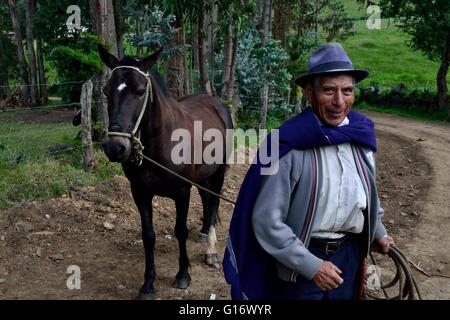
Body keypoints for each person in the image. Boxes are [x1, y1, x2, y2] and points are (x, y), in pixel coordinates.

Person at [223, 43, 394, 300]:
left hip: (349, 256)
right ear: (309, 93)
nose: (339, 101)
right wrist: (311, 266)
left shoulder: (361, 138)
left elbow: (367, 195)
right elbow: (267, 222)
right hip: (301, 261)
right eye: (329, 90)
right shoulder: (284, 145)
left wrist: (378, 230)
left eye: (347, 91)